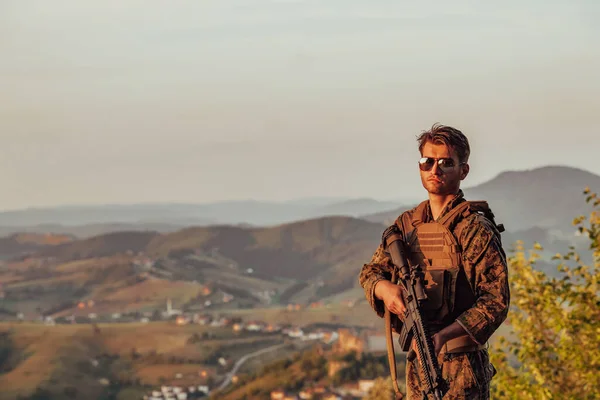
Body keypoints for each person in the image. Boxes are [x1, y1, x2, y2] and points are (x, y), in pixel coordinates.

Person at [358, 124, 510, 399]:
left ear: (463, 170)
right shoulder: (406, 225)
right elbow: (371, 272)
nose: (434, 170)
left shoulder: (474, 228)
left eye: (445, 163)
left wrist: (442, 337)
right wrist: (386, 290)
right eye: (427, 162)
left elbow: (495, 301)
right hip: (418, 366)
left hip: (462, 370)